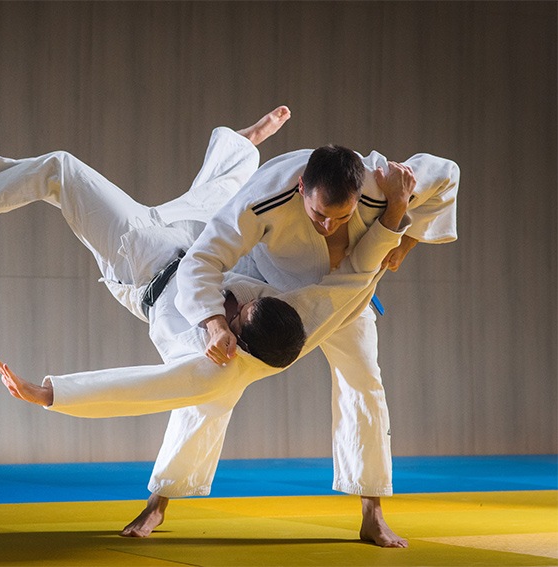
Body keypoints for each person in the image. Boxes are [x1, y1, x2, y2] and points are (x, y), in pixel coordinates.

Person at [0, 105, 421, 546]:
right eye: (248, 299)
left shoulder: (217, 368)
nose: (236, 301)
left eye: (237, 313)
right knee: (223, 190)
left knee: (60, 169)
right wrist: (398, 212)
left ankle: (167, 498)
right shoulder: (293, 304)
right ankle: (242, 145)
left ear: (242, 341)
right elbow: (353, 274)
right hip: (190, 227)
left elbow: (142, 388)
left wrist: (49, 393)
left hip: (141, 258)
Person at [154, 140, 460, 547]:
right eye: (319, 214)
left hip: (346, 296)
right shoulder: (262, 198)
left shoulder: (384, 181)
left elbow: (448, 171)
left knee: (365, 384)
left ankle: (373, 515)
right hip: (271, 296)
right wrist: (213, 324)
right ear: (301, 188)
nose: (329, 226)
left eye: (342, 216)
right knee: (216, 380)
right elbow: (201, 259)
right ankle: (160, 500)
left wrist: (407, 237)